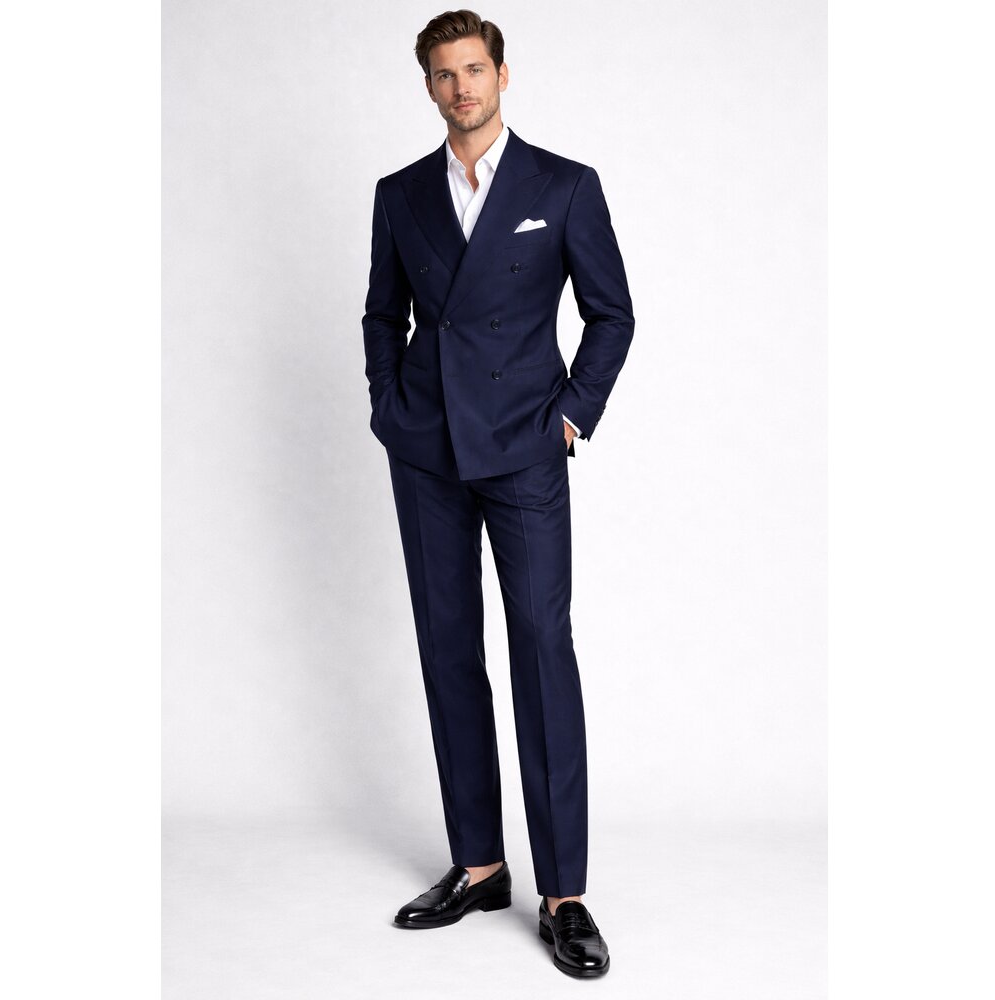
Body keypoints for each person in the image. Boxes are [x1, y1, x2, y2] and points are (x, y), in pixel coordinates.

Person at [361, 9, 634, 978]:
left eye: (474, 69)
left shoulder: (562, 185)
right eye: (444, 74)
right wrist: (389, 406)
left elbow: (611, 313)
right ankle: (479, 864)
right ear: (428, 86)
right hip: (427, 450)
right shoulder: (400, 194)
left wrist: (571, 415)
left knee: (542, 649)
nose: (461, 87)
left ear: (502, 75)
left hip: (524, 448)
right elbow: (380, 313)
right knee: (447, 650)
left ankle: (564, 893)